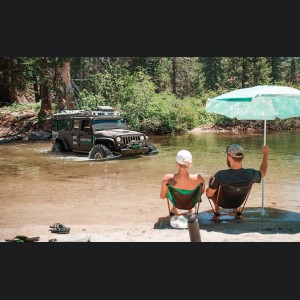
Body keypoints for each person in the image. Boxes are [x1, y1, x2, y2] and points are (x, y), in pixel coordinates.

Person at [206, 143, 270, 213]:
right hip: (238, 203)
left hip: (223, 203)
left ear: (229, 157)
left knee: (212, 189)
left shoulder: (220, 175)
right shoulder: (250, 174)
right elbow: (263, 172)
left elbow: (209, 194)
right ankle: (236, 209)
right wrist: (266, 154)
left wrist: (211, 183)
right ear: (242, 157)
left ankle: (217, 209)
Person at [160, 149, 205, 216]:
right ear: (190, 164)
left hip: (177, 203)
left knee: (170, 188)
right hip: (191, 203)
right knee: (193, 191)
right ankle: (191, 209)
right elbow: (201, 192)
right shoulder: (198, 178)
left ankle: (174, 208)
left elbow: (162, 196)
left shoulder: (168, 178)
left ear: (177, 164)